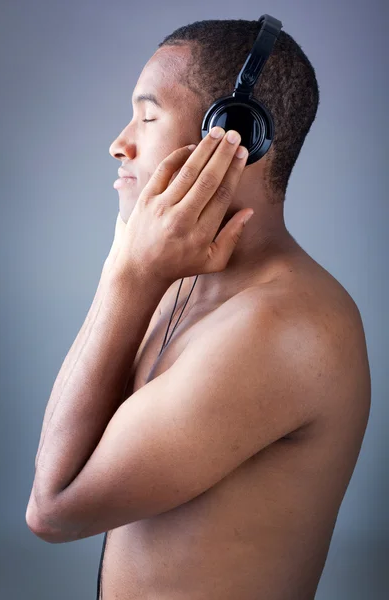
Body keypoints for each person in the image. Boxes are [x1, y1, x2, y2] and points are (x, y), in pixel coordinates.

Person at [26, 19, 371, 600]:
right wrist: (135, 266)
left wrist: (126, 275)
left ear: (234, 134)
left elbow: (54, 509)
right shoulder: (178, 284)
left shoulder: (282, 327)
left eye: (148, 116)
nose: (120, 142)